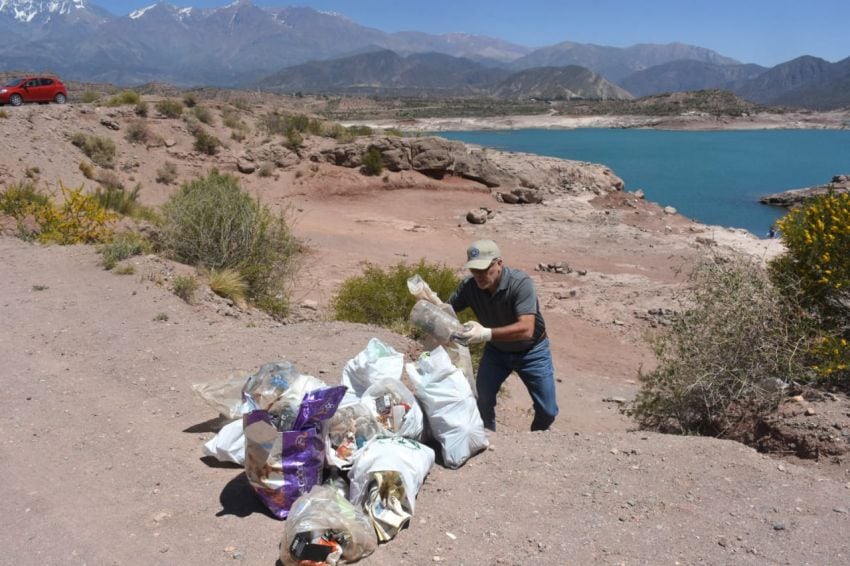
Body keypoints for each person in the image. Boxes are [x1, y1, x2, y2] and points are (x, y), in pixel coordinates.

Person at [448, 239, 559, 432]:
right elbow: (445, 311)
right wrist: (429, 302)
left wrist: (485, 333)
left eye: (485, 269)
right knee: (483, 398)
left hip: (532, 351)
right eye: (474, 270)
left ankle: (536, 437)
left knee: (548, 410)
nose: (479, 276)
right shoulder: (469, 287)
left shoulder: (520, 283)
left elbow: (527, 329)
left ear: (499, 263)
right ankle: (488, 435)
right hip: (497, 351)